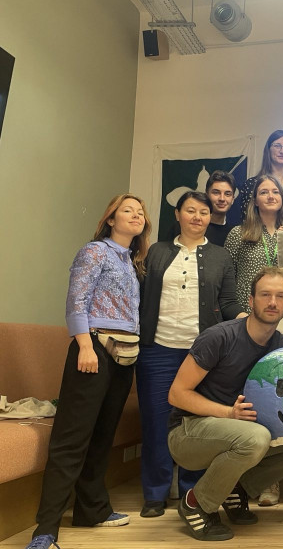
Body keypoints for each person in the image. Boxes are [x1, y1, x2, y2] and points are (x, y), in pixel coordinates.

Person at [167, 267, 283, 541]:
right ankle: (196, 503)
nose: (272, 302)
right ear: (250, 300)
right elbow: (177, 394)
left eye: (280, 296)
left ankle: (235, 488)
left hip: (240, 433)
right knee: (256, 437)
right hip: (188, 433)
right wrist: (229, 413)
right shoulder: (219, 337)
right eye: (265, 294)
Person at [26, 194, 152, 549]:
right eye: (127, 210)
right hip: (93, 348)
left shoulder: (132, 261)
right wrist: (84, 345)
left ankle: (92, 509)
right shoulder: (94, 251)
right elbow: (76, 299)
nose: (136, 215)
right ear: (110, 219)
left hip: (125, 354)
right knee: (72, 438)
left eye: (140, 212)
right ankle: (46, 530)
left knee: (101, 435)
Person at [137, 191, 247, 518]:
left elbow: (228, 302)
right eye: (191, 211)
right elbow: (140, 296)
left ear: (210, 218)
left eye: (204, 212)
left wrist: (247, 318)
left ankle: (191, 493)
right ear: (178, 214)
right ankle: (155, 494)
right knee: (156, 422)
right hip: (157, 350)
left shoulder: (221, 257)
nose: (197, 217)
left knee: (197, 425)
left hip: (202, 354)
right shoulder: (155, 251)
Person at [225, 174, 283, 314]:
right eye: (264, 192)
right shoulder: (239, 234)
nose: (271, 196)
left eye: (275, 192)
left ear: (282, 199)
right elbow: (226, 280)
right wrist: (236, 313)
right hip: (246, 314)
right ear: (255, 201)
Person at [241, 129, 283, 224]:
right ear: (268, 149)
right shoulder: (251, 184)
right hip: (260, 237)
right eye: (277, 146)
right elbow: (247, 218)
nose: (282, 151)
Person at [205, 170, 237, 246]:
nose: (222, 199)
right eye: (216, 192)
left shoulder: (235, 234)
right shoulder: (194, 227)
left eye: (227, 194)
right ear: (206, 195)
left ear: (232, 199)